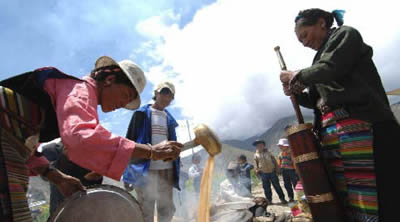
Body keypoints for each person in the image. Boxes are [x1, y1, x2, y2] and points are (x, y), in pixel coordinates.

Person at [0, 56, 182, 222]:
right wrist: (151, 151)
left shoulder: (72, 101)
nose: (122, 105)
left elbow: (28, 149)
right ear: (110, 80)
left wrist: (56, 177)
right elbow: (81, 138)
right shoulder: (79, 89)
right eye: (125, 96)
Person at [279, 8, 400, 221]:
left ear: (321, 23)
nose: (304, 42)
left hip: (362, 125)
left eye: (305, 35)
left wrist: (299, 75)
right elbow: (317, 101)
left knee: (374, 191)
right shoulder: (319, 60)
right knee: (346, 193)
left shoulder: (345, 35)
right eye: (300, 41)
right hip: (334, 134)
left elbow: (333, 67)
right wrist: (296, 95)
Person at [122, 81, 180, 222]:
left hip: (166, 171)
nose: (167, 97)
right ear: (156, 93)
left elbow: (173, 146)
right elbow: (129, 143)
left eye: (170, 95)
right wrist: (127, 173)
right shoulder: (141, 114)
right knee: (145, 209)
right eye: (164, 92)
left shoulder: (170, 120)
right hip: (145, 171)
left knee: (166, 209)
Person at [41, 141, 103, 215]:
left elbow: (93, 183)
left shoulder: (92, 152)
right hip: (61, 210)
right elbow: (44, 175)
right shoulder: (50, 149)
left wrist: (90, 178)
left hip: (87, 210)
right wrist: (64, 156)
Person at [253, 139, 287, 204]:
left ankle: (282, 198)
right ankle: (269, 200)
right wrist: (256, 171)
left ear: (263, 145)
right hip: (263, 173)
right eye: (258, 145)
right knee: (266, 188)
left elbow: (274, 161)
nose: (260, 146)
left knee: (277, 186)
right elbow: (255, 164)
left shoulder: (269, 152)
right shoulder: (256, 155)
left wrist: (277, 169)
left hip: (272, 172)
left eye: (261, 145)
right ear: (256, 147)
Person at [277, 138, 298, 202]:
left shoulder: (291, 152)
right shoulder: (281, 153)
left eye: (281, 146)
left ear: (286, 146)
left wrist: (296, 170)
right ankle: (291, 197)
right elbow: (279, 162)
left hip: (292, 171)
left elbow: (294, 161)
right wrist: (279, 169)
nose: (280, 147)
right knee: (287, 185)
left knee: (296, 184)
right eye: (280, 146)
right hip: (284, 171)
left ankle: (300, 197)